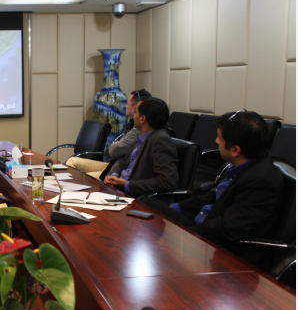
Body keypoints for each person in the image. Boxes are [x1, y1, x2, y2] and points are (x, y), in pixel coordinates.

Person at [141, 110, 283, 269]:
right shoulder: (243, 165)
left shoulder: (260, 182)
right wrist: (174, 208)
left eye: (220, 139)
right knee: (147, 203)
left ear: (235, 150)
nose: (216, 141)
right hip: (204, 224)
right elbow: (212, 197)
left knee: (150, 226)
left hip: (220, 249)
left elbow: (227, 229)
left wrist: (183, 233)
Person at [67, 89, 152, 179]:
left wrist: (116, 145)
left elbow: (115, 151)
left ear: (135, 108)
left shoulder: (138, 129)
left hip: (117, 170)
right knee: (72, 161)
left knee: (77, 177)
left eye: (127, 103)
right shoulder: (131, 123)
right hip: (112, 165)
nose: (125, 106)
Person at [104, 97, 178, 197]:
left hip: (135, 197)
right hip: (118, 191)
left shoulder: (161, 141)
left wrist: (126, 184)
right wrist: (115, 175)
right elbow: (124, 161)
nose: (133, 116)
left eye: (135, 113)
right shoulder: (141, 137)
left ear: (143, 119)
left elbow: (167, 182)